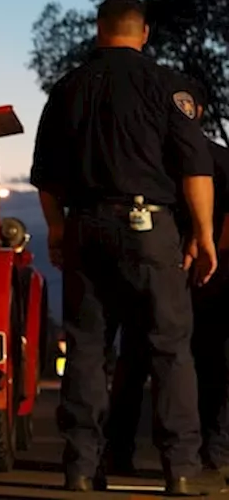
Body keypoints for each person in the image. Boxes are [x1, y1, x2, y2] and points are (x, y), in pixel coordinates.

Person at [30, 0, 218, 495]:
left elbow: (45, 177)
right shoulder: (167, 86)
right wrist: (202, 235)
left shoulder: (67, 89)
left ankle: (81, 469)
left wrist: (57, 228)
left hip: (87, 225)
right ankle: (179, 469)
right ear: (144, 34)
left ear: (99, 30)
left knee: (88, 348)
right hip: (151, 228)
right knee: (170, 349)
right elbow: (196, 167)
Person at [104, 79, 229, 475]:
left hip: (154, 270)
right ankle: (214, 451)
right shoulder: (221, 160)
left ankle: (119, 450)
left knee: (136, 359)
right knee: (210, 365)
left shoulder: (145, 159)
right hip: (212, 276)